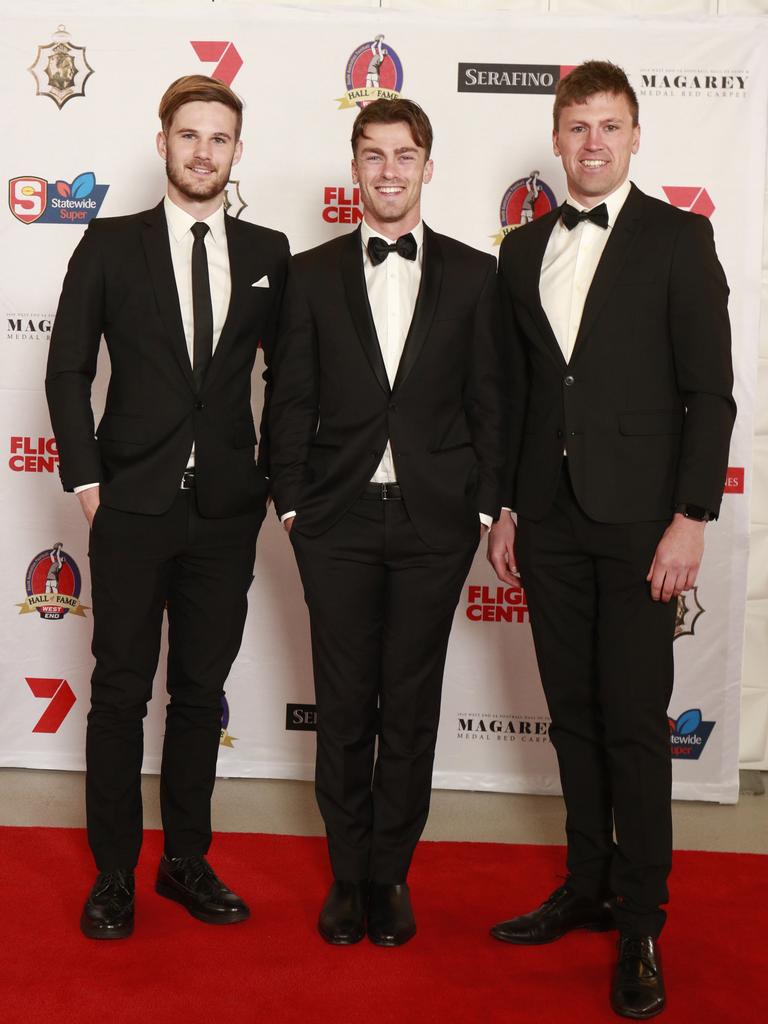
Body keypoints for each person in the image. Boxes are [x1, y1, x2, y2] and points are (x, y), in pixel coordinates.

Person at [487, 61, 734, 1019]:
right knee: (574, 714)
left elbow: (709, 392)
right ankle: (585, 883)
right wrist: (505, 507)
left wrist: (691, 516)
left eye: (611, 127)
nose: (593, 143)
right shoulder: (521, 249)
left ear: (635, 138)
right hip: (545, 519)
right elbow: (515, 396)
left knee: (634, 723)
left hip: (642, 525)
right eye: (578, 127)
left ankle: (641, 922)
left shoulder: (680, 239)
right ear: (556, 140)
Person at [45, 74, 289, 939]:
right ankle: (113, 872)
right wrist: (85, 480)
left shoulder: (268, 252)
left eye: (219, 138)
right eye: (189, 135)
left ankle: (184, 860)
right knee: (117, 693)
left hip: (226, 511)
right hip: (132, 507)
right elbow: (67, 370)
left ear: (235, 151)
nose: (202, 152)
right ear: (163, 142)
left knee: (199, 692)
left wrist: (281, 491)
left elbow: (288, 385)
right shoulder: (109, 246)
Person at [269, 98, 504, 947]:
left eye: (405, 155)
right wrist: (293, 505)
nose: (390, 170)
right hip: (334, 521)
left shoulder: (478, 276)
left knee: (410, 704)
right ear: (355, 168)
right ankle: (345, 873)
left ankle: (390, 874)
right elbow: (288, 400)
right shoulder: (310, 272)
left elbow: (492, 402)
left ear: (428, 166)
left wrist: (479, 508)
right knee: (343, 705)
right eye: (374, 155)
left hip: (435, 524)